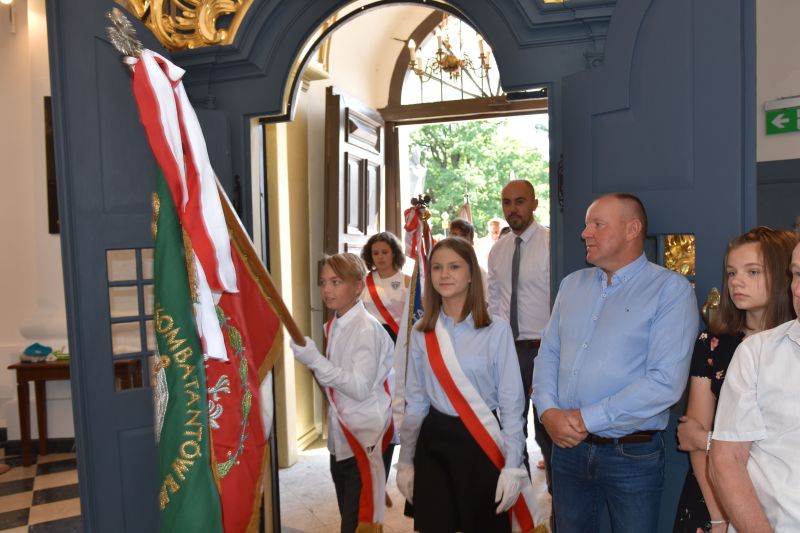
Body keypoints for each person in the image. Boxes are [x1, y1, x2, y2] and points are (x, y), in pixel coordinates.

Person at [532, 192, 699, 532]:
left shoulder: (670, 290)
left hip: (631, 455)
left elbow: (665, 382)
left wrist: (585, 419)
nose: (585, 233)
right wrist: (547, 411)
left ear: (632, 229)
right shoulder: (571, 285)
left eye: (598, 224)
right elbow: (548, 354)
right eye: (586, 225)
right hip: (567, 449)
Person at [396, 237, 538, 533]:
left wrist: (513, 465)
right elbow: (416, 402)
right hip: (434, 443)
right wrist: (406, 460)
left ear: (472, 273)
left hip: (481, 442)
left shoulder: (496, 330)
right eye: (437, 267)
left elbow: (512, 405)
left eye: (454, 266)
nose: (444, 274)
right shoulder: (422, 332)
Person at [674, 227, 797, 533]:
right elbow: (693, 436)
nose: (736, 282)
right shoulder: (713, 342)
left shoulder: (787, 346)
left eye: (752, 272)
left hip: (777, 500)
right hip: (713, 494)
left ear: (783, 277)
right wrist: (719, 518)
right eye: (731, 273)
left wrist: (706, 439)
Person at [290, 253, 395, 533]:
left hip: (366, 439)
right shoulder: (337, 323)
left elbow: (359, 388)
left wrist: (315, 361)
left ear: (358, 286)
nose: (326, 289)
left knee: (359, 524)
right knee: (351, 517)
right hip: (342, 438)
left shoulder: (365, 329)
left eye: (336, 282)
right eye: (323, 282)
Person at [709, 238, 800, 532]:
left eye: (752, 272)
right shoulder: (756, 353)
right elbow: (726, 459)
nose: (797, 289)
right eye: (797, 274)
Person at [487, 179, 552, 477]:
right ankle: (520, 492)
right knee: (510, 427)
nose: (512, 209)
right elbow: (494, 302)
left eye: (520, 201)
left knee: (546, 429)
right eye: (507, 202)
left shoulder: (551, 243)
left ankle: (555, 495)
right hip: (508, 350)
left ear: (534, 204)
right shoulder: (497, 251)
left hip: (544, 351)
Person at [361, 232, 410, 344]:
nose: (380, 257)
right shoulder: (364, 282)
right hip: (371, 339)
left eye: (384, 252)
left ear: (394, 253)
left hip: (399, 339)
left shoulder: (407, 281)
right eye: (375, 253)